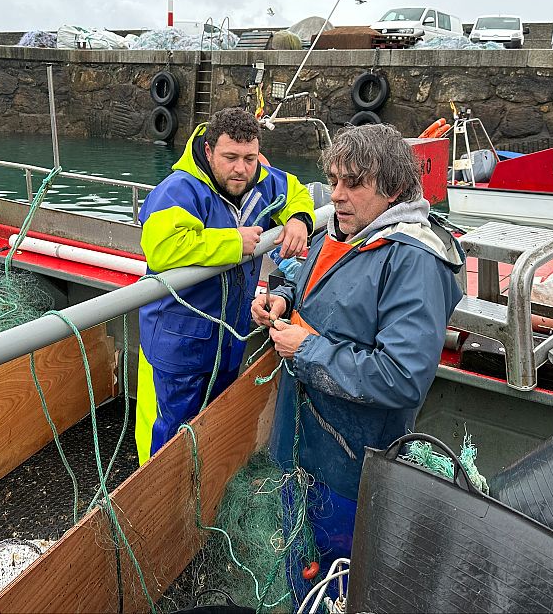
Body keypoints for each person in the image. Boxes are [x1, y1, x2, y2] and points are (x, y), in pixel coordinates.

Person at [250, 122, 464, 600]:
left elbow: (403, 376)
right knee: (298, 568)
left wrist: (305, 349)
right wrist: (282, 299)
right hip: (301, 446)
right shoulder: (342, 231)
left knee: (337, 585)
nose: (337, 195)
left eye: (353, 183)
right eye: (333, 180)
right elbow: (305, 280)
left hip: (349, 466)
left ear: (391, 189)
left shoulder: (413, 261)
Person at [136, 108, 315, 464]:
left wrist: (299, 219)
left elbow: (296, 191)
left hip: (228, 339)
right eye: (230, 157)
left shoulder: (261, 180)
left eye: (250, 158)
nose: (241, 169)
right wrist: (233, 243)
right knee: (169, 433)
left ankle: (202, 491)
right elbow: (160, 248)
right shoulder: (179, 190)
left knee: (212, 423)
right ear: (207, 151)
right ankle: (158, 504)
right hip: (178, 342)